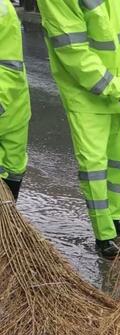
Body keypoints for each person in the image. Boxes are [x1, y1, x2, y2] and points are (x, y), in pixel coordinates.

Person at [36, 0, 120, 259]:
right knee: (94, 167)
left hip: (117, 84)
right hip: (85, 95)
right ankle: (104, 235)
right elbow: (74, 53)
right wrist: (119, 92)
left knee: (117, 161)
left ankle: (116, 218)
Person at [0, 0, 31, 201]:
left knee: (12, 170)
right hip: (10, 108)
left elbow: (8, 68)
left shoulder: (2, 10)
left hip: (10, 110)